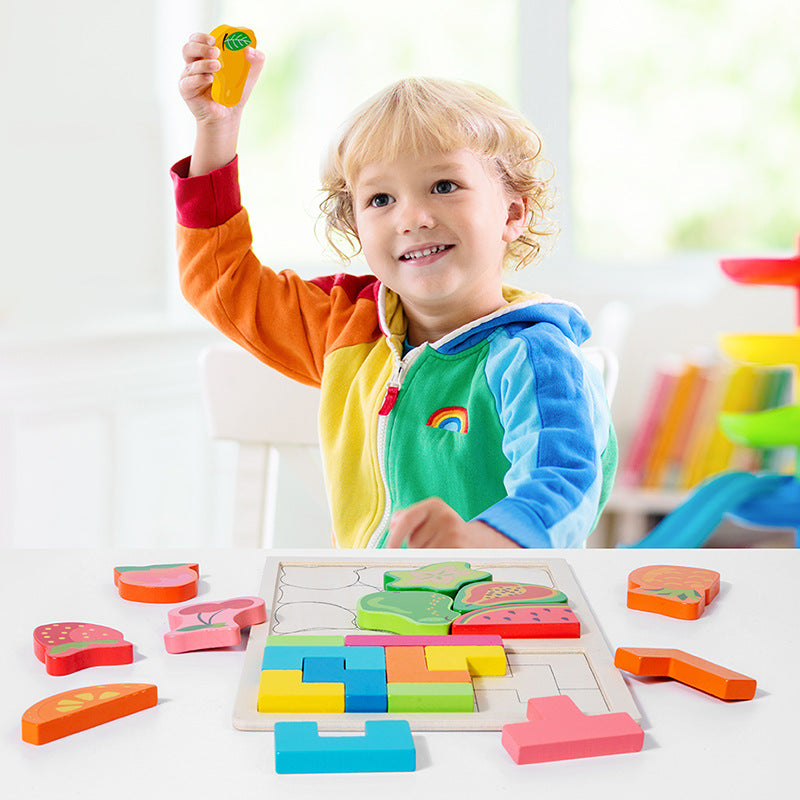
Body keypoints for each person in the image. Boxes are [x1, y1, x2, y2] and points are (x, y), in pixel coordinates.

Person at [173, 33, 617, 549]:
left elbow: (563, 483)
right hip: (372, 594)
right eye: (381, 198)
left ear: (513, 212)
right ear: (355, 227)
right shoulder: (346, 327)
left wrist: (482, 542)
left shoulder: (534, 354)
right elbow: (221, 281)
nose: (413, 218)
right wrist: (216, 128)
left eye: (444, 186)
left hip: (499, 594)